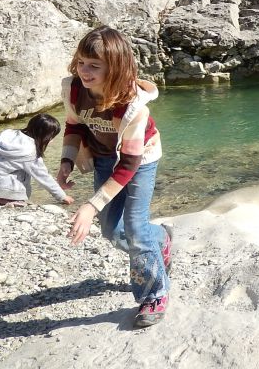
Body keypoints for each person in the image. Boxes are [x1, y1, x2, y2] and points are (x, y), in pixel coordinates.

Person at [56, 26, 172, 328]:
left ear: (115, 68)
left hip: (140, 159)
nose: (84, 70)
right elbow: (75, 126)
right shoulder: (73, 89)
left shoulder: (134, 107)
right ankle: (161, 238)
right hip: (105, 157)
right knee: (112, 231)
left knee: (134, 228)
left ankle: (154, 295)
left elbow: (130, 164)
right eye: (82, 62)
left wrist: (90, 205)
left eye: (94, 66)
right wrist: (66, 161)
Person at [0, 114, 73, 207]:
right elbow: (43, 177)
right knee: (25, 172)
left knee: (11, 165)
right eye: (51, 137)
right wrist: (62, 196)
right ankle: (2, 198)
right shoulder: (30, 152)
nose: (52, 141)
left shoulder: (8, 134)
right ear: (44, 136)